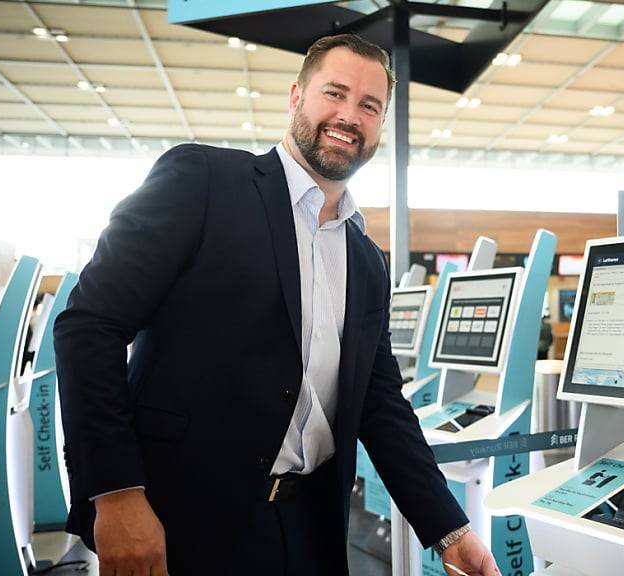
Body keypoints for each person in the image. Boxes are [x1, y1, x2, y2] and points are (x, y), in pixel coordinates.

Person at [55, 34, 498, 576]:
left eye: (369, 105)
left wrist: (450, 529)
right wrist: (116, 493)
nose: (348, 115)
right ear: (295, 97)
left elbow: (379, 400)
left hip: (309, 527)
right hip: (183, 523)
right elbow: (89, 327)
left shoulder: (365, 258)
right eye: (334, 93)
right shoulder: (203, 183)